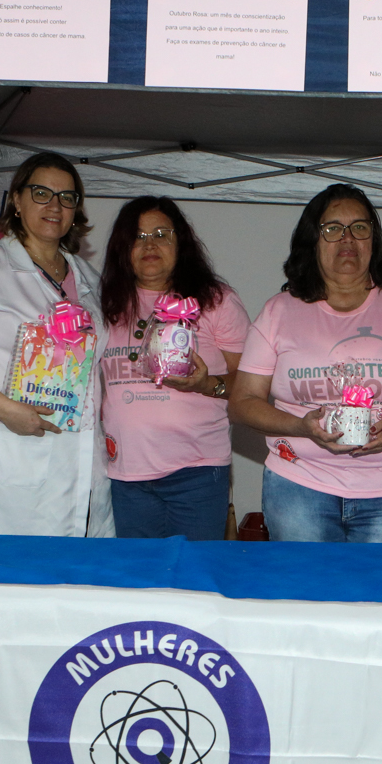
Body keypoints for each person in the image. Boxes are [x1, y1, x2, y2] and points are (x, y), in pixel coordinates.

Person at [230, 184, 382, 543]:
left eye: (360, 227)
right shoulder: (279, 311)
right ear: (313, 240)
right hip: (298, 487)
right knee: (308, 598)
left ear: (374, 238)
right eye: (332, 228)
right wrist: (301, 426)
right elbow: (242, 403)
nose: (347, 238)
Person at [0, 153, 114, 537]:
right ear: (16, 199)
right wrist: (8, 411)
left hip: (80, 459)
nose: (54, 206)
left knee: (75, 582)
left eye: (67, 197)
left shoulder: (90, 278)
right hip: (8, 448)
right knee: (6, 582)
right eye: (41, 193)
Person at [97, 196, 250, 540]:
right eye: (138, 236)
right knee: (137, 584)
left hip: (196, 473)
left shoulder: (215, 300)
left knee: (192, 581)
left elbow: (251, 383)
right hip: (126, 474)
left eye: (161, 234)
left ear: (181, 243)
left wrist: (205, 384)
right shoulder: (104, 303)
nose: (149, 244)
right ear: (123, 248)